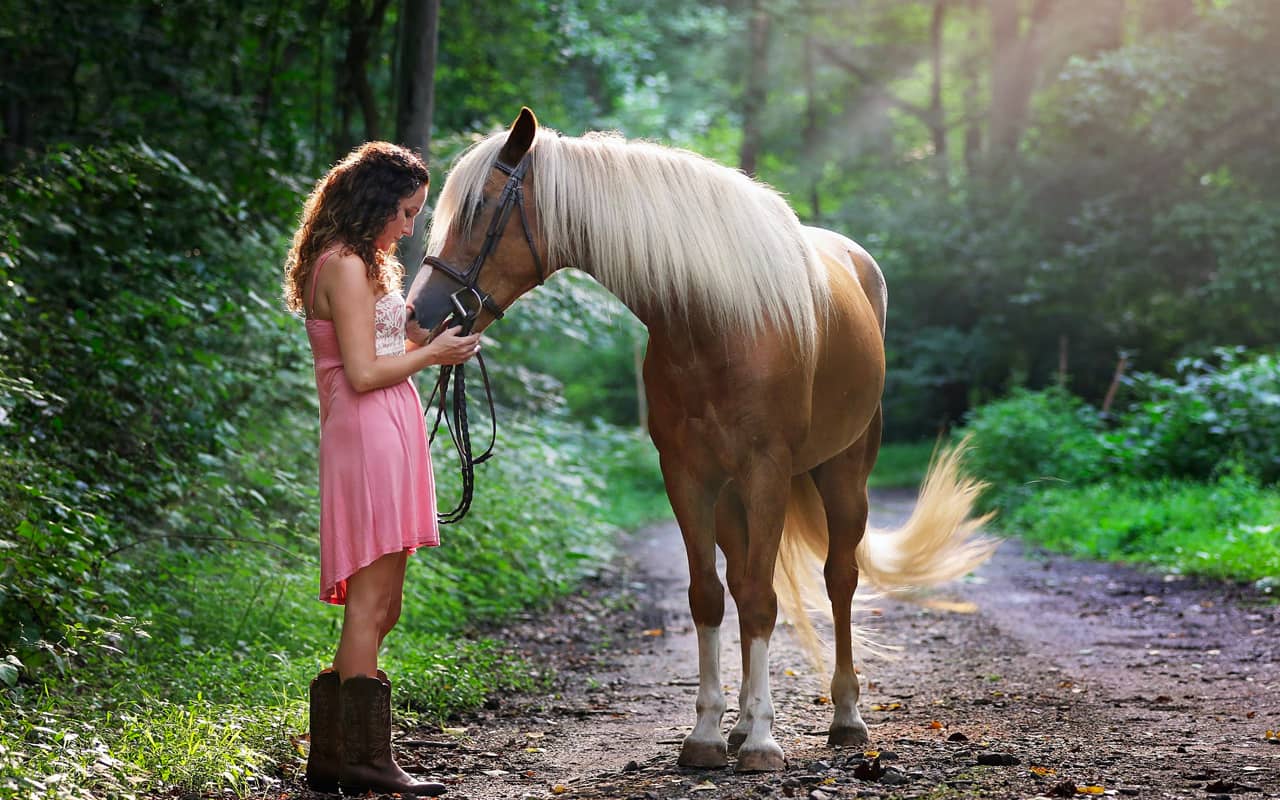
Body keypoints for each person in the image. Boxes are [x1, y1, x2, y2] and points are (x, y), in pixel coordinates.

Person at [282, 141, 479, 796]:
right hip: (366, 431)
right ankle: (363, 760)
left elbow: (390, 341)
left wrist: (443, 341)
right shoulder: (339, 264)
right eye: (404, 211)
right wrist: (432, 358)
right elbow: (363, 373)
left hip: (389, 430)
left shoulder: (371, 262)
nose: (409, 225)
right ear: (373, 204)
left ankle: (336, 754)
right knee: (368, 605)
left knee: (384, 604)